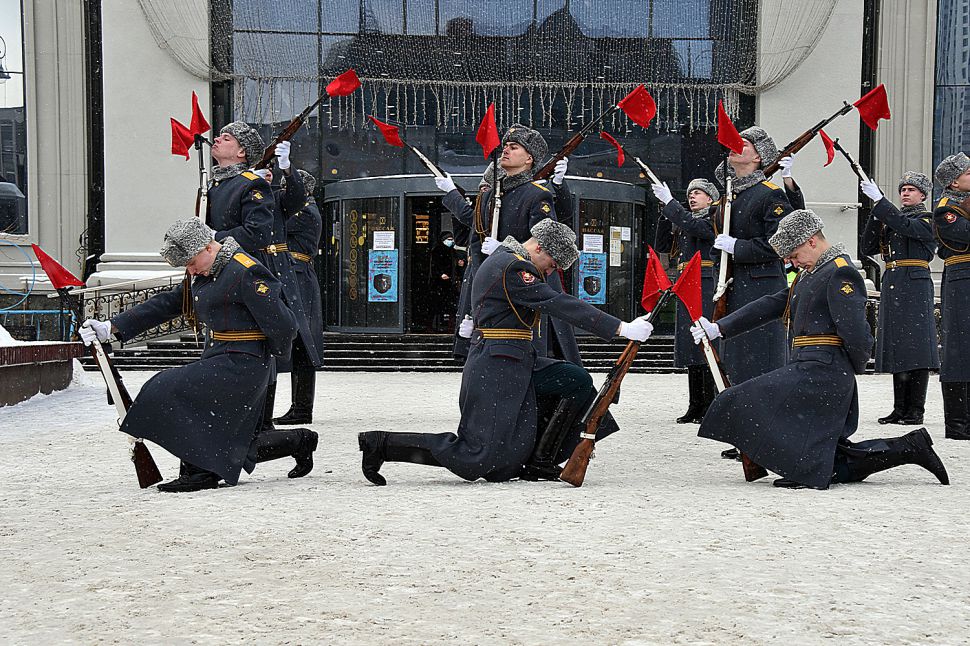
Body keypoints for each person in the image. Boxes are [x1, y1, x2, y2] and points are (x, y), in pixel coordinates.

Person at [356, 218, 653, 485]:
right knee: (479, 457)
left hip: (516, 359)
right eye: (552, 264)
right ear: (539, 247)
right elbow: (558, 303)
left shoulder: (506, 260)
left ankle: (540, 460)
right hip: (496, 366)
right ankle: (382, 444)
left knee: (574, 380)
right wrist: (620, 328)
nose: (551, 271)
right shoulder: (514, 267)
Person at [691, 210, 948, 490]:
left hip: (823, 370)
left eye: (794, 254)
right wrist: (719, 327)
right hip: (808, 366)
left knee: (739, 400)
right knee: (831, 460)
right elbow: (772, 304)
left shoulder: (839, 271)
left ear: (811, 241)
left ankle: (811, 465)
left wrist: (848, 368)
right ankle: (911, 447)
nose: (792, 262)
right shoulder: (811, 273)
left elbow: (857, 333)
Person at [79, 219, 318, 492]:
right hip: (219, 357)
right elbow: (168, 304)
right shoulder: (204, 271)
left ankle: (199, 473)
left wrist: (266, 361)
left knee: (167, 388)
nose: (190, 270)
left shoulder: (245, 271)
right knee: (236, 443)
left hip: (244, 363)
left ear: (207, 247)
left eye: (191, 262)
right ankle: (300, 441)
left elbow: (284, 325)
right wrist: (112, 326)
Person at [206, 122, 319, 433]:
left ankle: (266, 420)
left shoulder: (254, 186)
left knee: (271, 345)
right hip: (231, 271)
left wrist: (286, 169)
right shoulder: (217, 186)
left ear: (242, 151)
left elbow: (292, 203)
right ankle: (247, 417)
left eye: (226, 138)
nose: (217, 140)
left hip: (267, 271)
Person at [435, 124, 559, 358]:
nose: (506, 150)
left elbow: (546, 245)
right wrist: (472, 310)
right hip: (486, 294)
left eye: (514, 147)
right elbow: (476, 237)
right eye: (505, 146)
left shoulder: (536, 195)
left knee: (518, 362)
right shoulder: (490, 196)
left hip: (517, 294)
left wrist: (504, 249)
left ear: (529, 159)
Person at [711, 126, 792, 387]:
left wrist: (738, 247)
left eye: (744, 144)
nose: (735, 145)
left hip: (760, 288)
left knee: (759, 358)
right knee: (735, 358)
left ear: (758, 157)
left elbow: (780, 243)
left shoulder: (770, 194)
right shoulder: (729, 196)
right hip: (734, 287)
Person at [860, 171, 939, 425]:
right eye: (903, 189)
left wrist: (881, 204)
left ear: (923, 195)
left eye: (911, 190)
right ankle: (900, 408)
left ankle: (915, 409)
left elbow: (907, 227)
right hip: (894, 282)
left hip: (915, 283)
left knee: (916, 346)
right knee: (899, 346)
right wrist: (876, 212)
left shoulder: (927, 219)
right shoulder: (892, 217)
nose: (905, 193)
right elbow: (868, 247)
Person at [652, 177, 719, 423]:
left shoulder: (714, 218)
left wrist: (672, 206)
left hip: (704, 283)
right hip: (686, 284)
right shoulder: (684, 219)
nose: (692, 197)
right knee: (691, 347)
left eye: (698, 193)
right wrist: (665, 211)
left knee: (705, 345)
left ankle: (709, 404)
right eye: (690, 193)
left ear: (710, 199)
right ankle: (695, 405)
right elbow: (661, 244)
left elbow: (697, 228)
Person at [274, 169, 324, 425]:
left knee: (303, 344)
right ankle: (299, 406)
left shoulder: (304, 212)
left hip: (297, 276)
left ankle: (302, 408)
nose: (284, 192)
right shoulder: (303, 209)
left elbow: (273, 225)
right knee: (299, 346)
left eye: (287, 188)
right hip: (293, 274)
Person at [932, 153, 970, 440]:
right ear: (954, 182)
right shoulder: (945, 209)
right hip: (962, 279)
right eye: (968, 173)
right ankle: (958, 423)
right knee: (959, 348)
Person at [428, 230, 458, 332]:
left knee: (448, 305)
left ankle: (448, 326)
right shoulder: (437, 251)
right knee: (437, 304)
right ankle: (435, 325)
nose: (451, 241)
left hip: (449, 282)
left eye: (452, 239)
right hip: (439, 283)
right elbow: (434, 265)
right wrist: (440, 274)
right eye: (449, 239)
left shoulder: (452, 251)